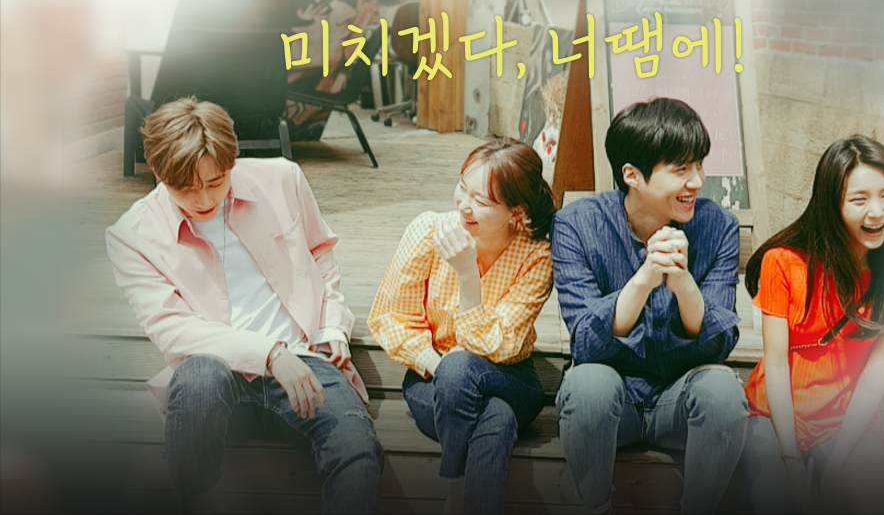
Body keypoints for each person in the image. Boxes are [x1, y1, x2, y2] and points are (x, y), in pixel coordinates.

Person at [105, 97, 382, 514]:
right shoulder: (131, 235)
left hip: (305, 359)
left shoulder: (283, 179)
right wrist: (270, 354)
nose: (203, 198)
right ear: (159, 174)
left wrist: (332, 326)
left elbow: (320, 252)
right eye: (185, 188)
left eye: (216, 181)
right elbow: (172, 330)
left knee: (357, 448)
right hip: (218, 378)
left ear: (231, 162)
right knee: (198, 378)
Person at [551, 98, 749, 515]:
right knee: (588, 385)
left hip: (679, 403)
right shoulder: (577, 225)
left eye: (699, 165)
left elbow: (719, 344)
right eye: (681, 169)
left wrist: (683, 284)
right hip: (611, 406)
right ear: (632, 175)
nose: (696, 181)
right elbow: (585, 342)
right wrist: (644, 278)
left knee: (723, 390)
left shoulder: (718, 227)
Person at [739, 135, 884, 514]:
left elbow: (874, 378)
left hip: (846, 423)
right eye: (859, 200)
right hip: (772, 417)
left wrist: (837, 465)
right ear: (831, 204)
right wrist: (790, 458)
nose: (877, 212)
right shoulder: (783, 264)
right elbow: (776, 365)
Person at [367, 138, 555, 514]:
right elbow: (390, 319)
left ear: (515, 212)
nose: (463, 205)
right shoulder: (429, 231)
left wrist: (468, 275)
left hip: (510, 377)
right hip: (433, 378)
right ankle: (461, 496)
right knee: (495, 416)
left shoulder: (535, 255)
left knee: (464, 369)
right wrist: (441, 365)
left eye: (480, 201)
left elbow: (502, 345)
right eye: (462, 187)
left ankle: (451, 484)